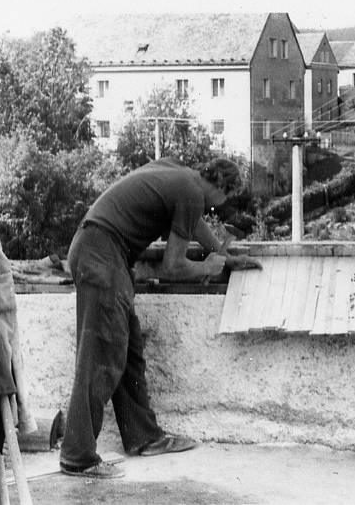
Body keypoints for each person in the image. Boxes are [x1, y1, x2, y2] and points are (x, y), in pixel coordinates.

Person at [59, 156, 261, 478]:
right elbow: (173, 266)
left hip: (99, 250)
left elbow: (191, 224)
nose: (219, 207)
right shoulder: (192, 193)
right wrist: (208, 267)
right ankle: (78, 456)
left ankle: (143, 437)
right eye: (224, 199)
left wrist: (223, 255)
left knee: (128, 350)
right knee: (100, 357)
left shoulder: (180, 175)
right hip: (102, 254)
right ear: (222, 187)